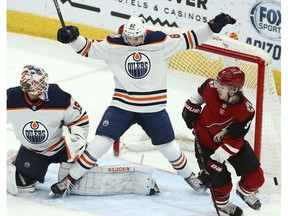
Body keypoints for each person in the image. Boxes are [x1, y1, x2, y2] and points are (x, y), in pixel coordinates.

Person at [50, 13, 236, 196]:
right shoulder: (114, 45)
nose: (133, 42)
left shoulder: (161, 43)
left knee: (169, 147)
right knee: (100, 143)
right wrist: (73, 38)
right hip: (122, 106)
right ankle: (70, 180)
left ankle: (191, 178)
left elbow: (191, 38)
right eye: (129, 38)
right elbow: (87, 48)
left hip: (153, 109)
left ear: (145, 34)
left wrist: (213, 25)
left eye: (137, 38)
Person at [182, 66, 265, 216]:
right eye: (218, 83)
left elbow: (233, 141)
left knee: (256, 177)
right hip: (205, 143)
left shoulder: (246, 111)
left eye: (223, 86)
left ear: (234, 90)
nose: (217, 87)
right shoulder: (211, 86)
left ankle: (244, 192)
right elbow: (197, 97)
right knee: (222, 185)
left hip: (230, 144)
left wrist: (212, 165)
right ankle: (223, 205)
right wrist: (190, 110)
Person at [7, 65, 89, 195]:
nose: (42, 86)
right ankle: (23, 162)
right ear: (26, 85)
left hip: (62, 148)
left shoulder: (60, 97)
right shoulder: (10, 99)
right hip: (32, 150)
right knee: (23, 185)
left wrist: (78, 139)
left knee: (73, 187)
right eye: (37, 83)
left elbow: (81, 120)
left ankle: (76, 166)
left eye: (42, 82)